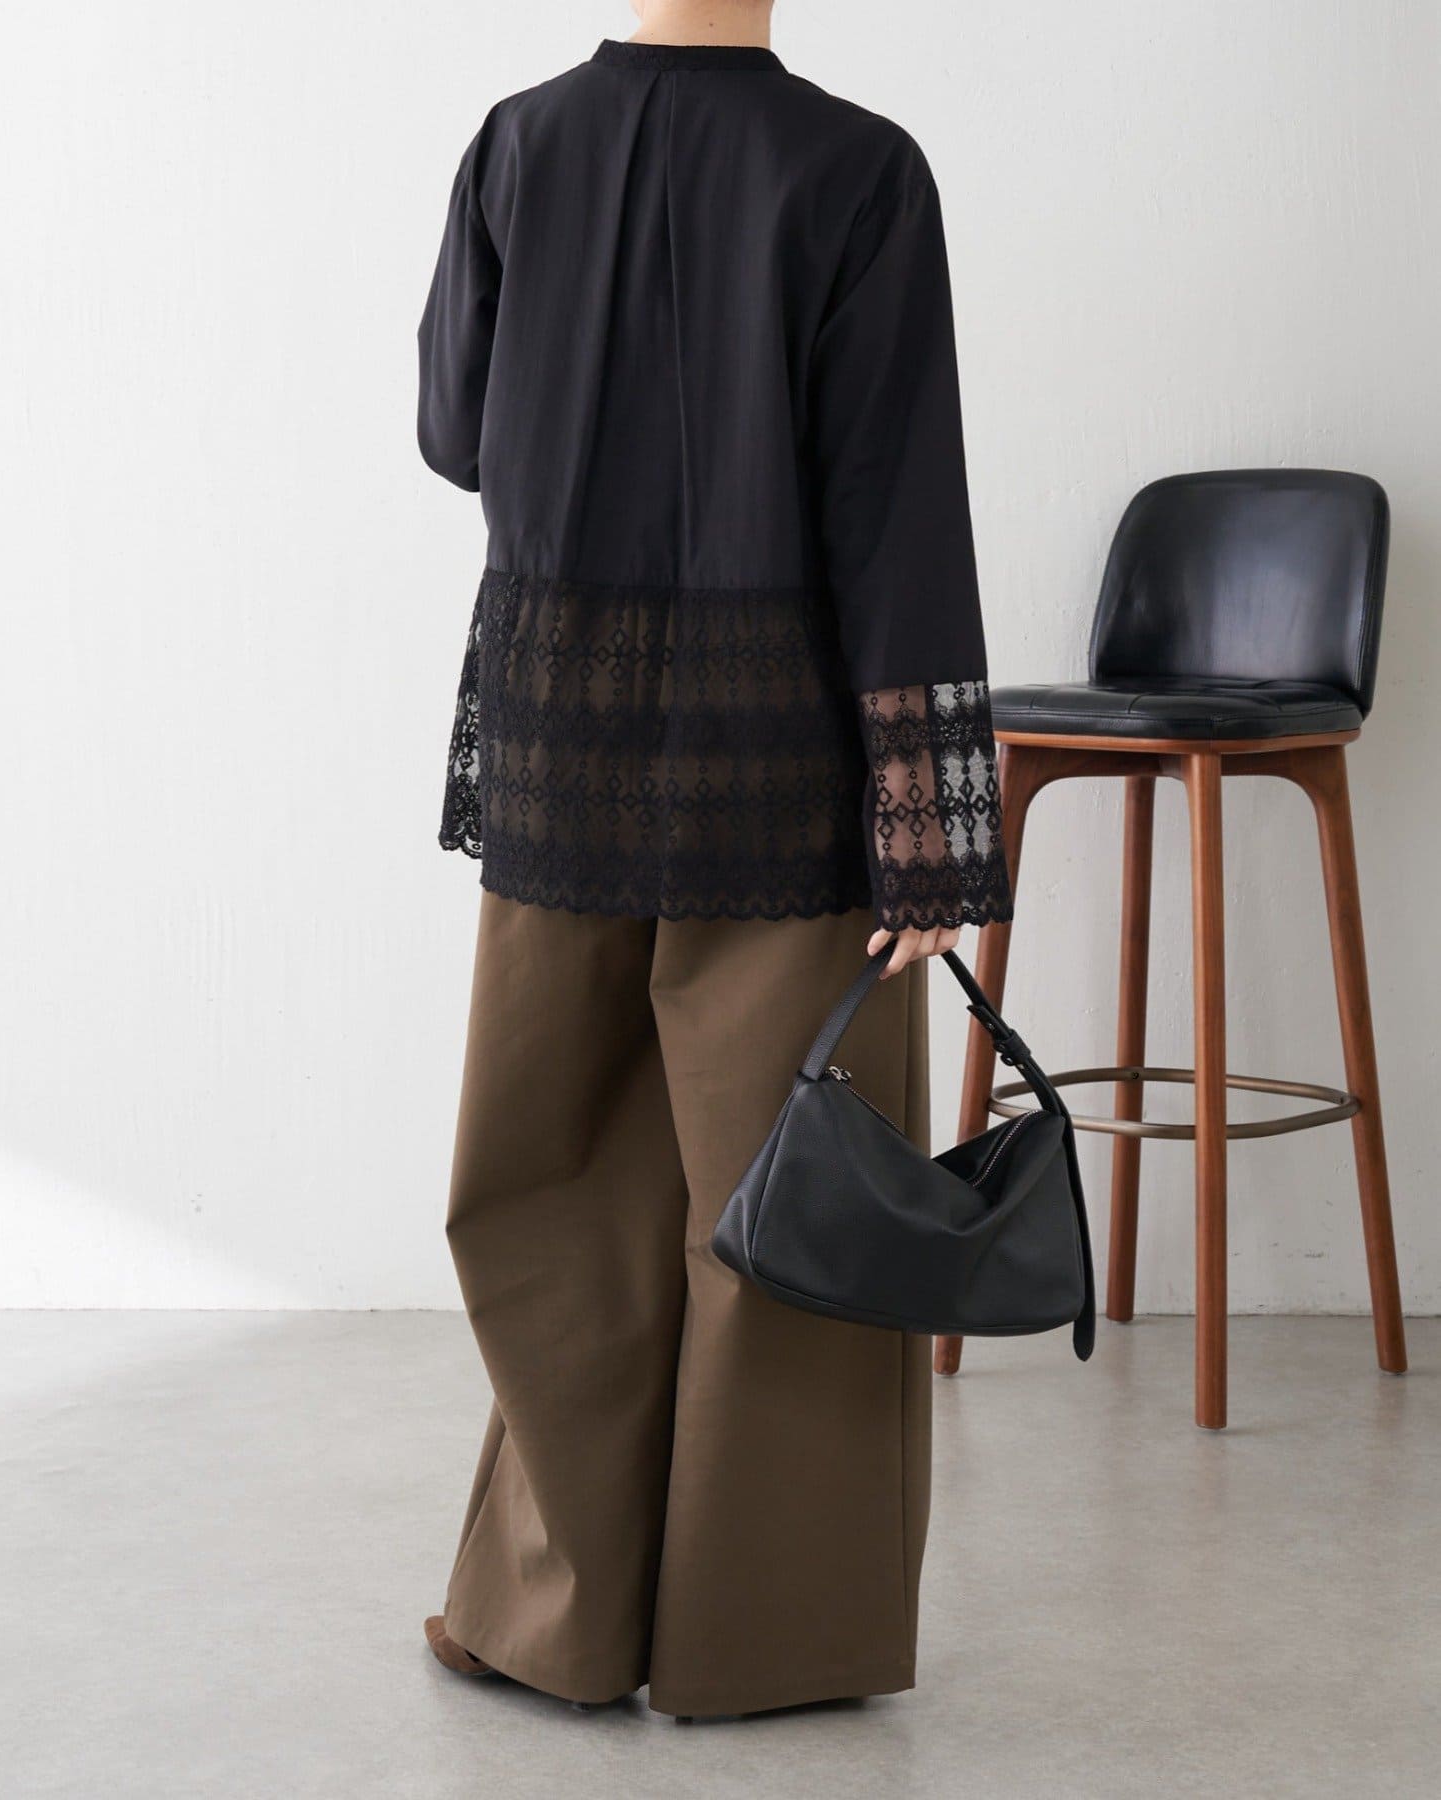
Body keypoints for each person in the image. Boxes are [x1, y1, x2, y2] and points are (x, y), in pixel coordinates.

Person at [416, 0, 1011, 1719]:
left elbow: (454, 432)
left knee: (552, 1198)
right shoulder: (862, 172)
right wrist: (932, 841)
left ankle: (553, 1619)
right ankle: (770, 1641)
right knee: (798, 1209)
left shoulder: (518, 147)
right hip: (787, 773)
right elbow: (898, 519)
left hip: (564, 739)